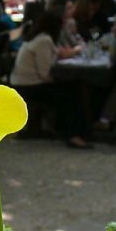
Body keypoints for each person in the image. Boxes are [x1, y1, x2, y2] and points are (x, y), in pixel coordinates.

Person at [10, 12, 92, 149]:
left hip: (22, 83)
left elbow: (56, 55)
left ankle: (70, 130)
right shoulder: (44, 41)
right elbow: (44, 74)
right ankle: (74, 134)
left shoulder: (35, 38)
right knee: (72, 93)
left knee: (72, 87)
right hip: (30, 86)